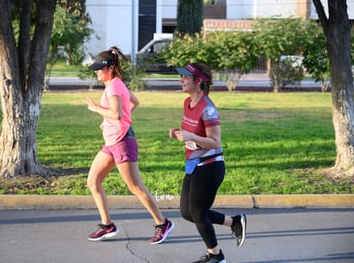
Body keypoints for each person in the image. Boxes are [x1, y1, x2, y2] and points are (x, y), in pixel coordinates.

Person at [84, 46, 174, 244]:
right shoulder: (117, 84)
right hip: (113, 141)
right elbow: (133, 103)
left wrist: (98, 110)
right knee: (93, 181)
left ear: (110, 68)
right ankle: (107, 225)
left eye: (100, 68)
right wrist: (113, 121)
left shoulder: (114, 87)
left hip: (122, 142)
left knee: (135, 187)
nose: (97, 71)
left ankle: (162, 223)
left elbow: (117, 113)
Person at [169, 63, 247, 263]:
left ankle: (216, 255)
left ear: (199, 81)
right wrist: (179, 133)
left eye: (186, 77)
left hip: (211, 165)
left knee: (197, 211)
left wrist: (190, 136)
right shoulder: (188, 102)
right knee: (187, 212)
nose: (182, 80)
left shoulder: (208, 109)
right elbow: (191, 131)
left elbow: (215, 142)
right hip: (194, 163)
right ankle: (234, 222)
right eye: (182, 77)